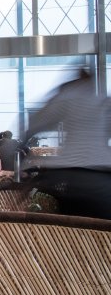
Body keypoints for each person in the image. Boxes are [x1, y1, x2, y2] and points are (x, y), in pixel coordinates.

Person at [24, 69, 111, 220]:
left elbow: (36, 123)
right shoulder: (104, 102)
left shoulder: (68, 98)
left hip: (71, 177)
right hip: (101, 176)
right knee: (103, 225)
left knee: (71, 224)